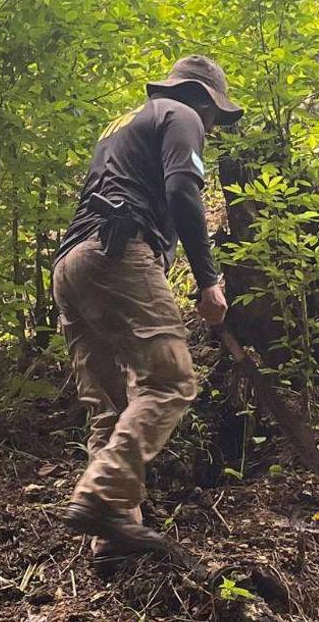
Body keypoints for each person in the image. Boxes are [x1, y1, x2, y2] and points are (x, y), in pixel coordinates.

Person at [54, 55, 242, 555]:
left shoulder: (124, 125)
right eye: (215, 117)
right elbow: (183, 192)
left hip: (72, 264)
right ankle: (102, 495)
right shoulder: (179, 115)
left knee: (109, 406)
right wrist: (208, 281)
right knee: (171, 379)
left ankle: (110, 539)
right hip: (118, 252)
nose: (212, 128)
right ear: (202, 99)